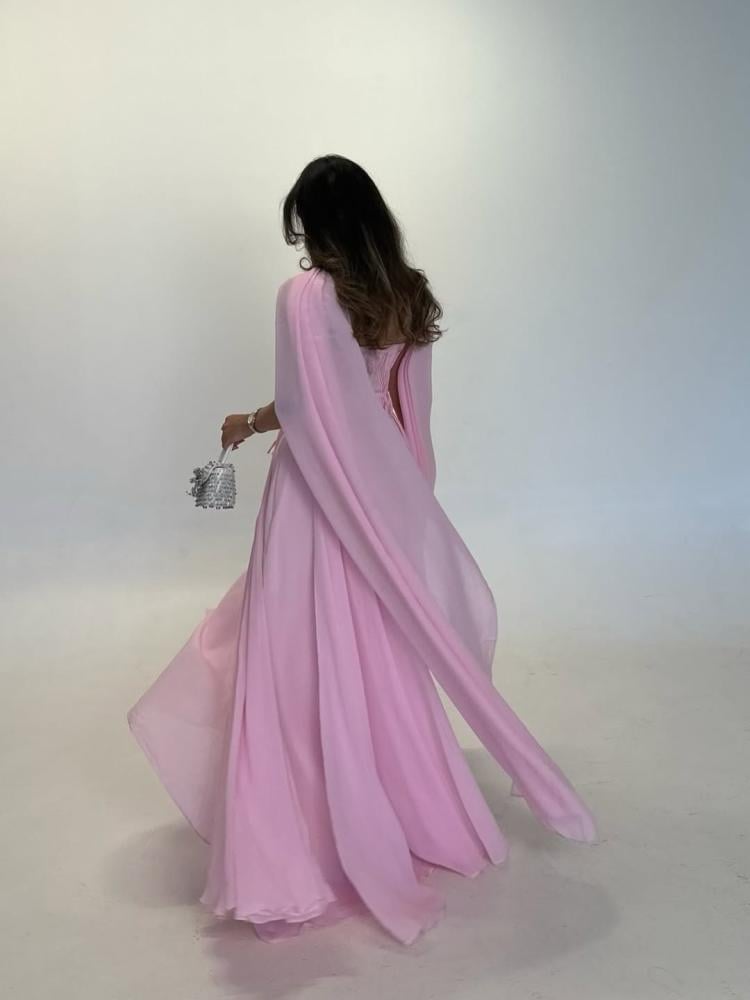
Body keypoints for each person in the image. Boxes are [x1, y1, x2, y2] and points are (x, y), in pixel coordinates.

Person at [127, 154, 597, 947]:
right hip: (384, 487)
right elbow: (391, 408)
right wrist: (400, 503)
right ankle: (389, 802)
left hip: (314, 496)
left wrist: (253, 423)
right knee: (371, 649)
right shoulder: (407, 294)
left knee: (292, 648)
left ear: (313, 223)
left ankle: (301, 830)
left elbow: (309, 406)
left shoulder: (306, 295)